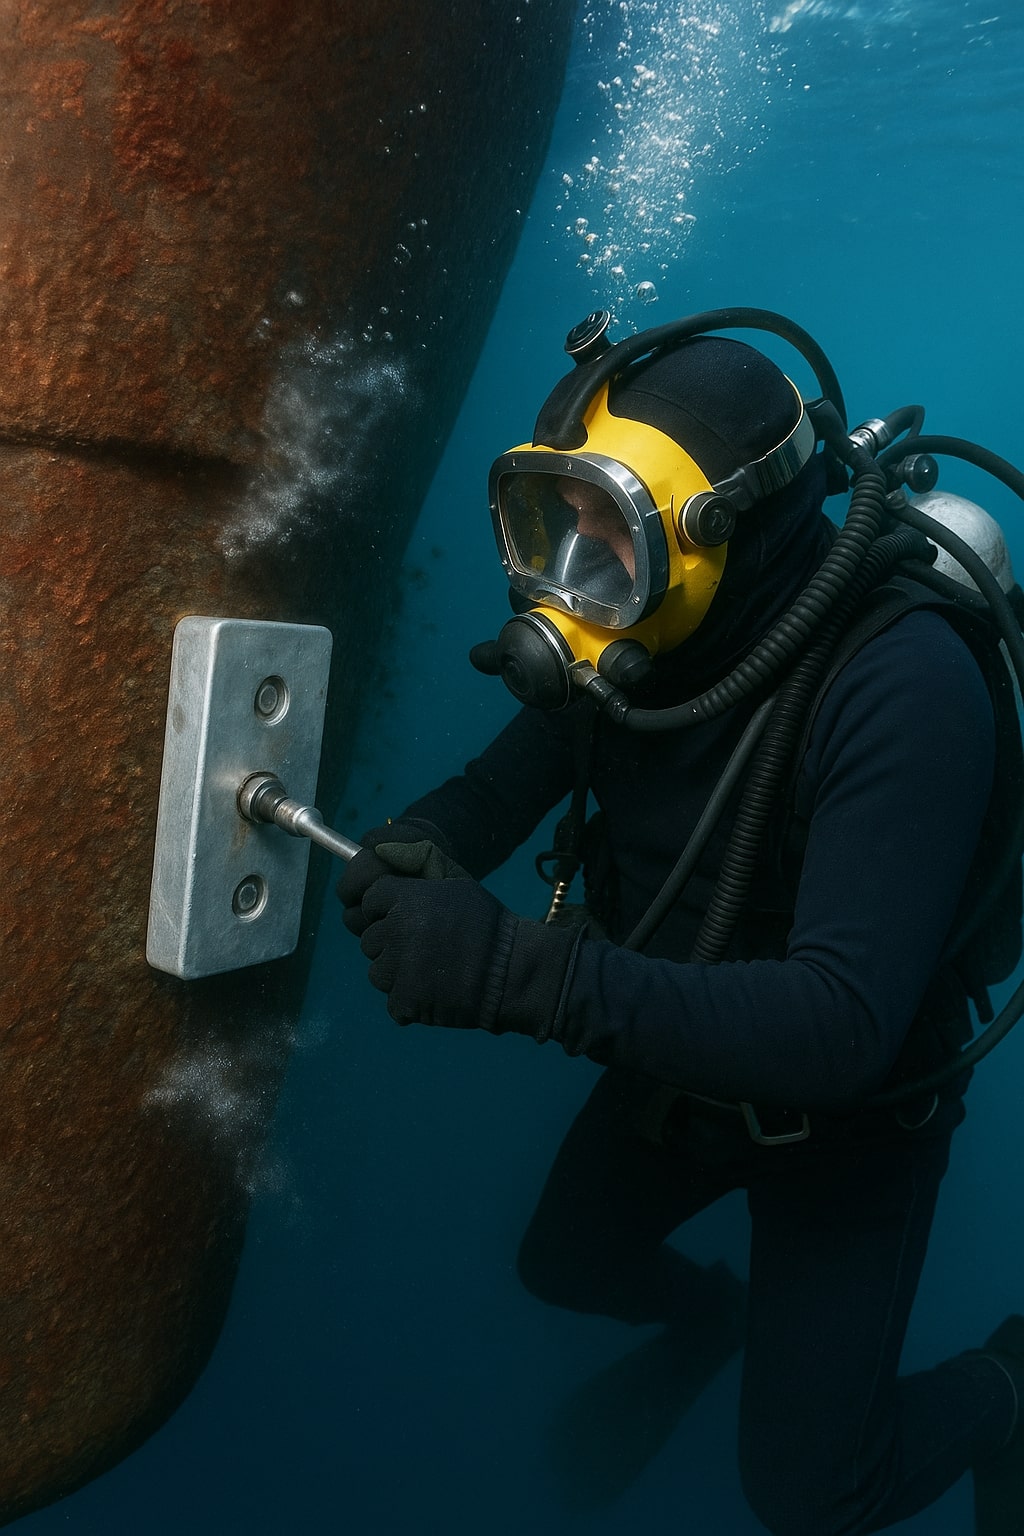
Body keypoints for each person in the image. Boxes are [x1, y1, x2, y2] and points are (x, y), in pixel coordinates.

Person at [339, 307, 1024, 1536]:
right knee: (561, 1264)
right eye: (557, 527)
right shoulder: (641, 627)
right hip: (678, 1071)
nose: (572, 579)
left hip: (849, 1127)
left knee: (815, 1496)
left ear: (726, 531)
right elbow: (508, 778)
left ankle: (1009, 1392)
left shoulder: (905, 681)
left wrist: (511, 970)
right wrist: (426, 841)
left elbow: (838, 1025)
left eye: (608, 537)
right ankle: (711, 1319)